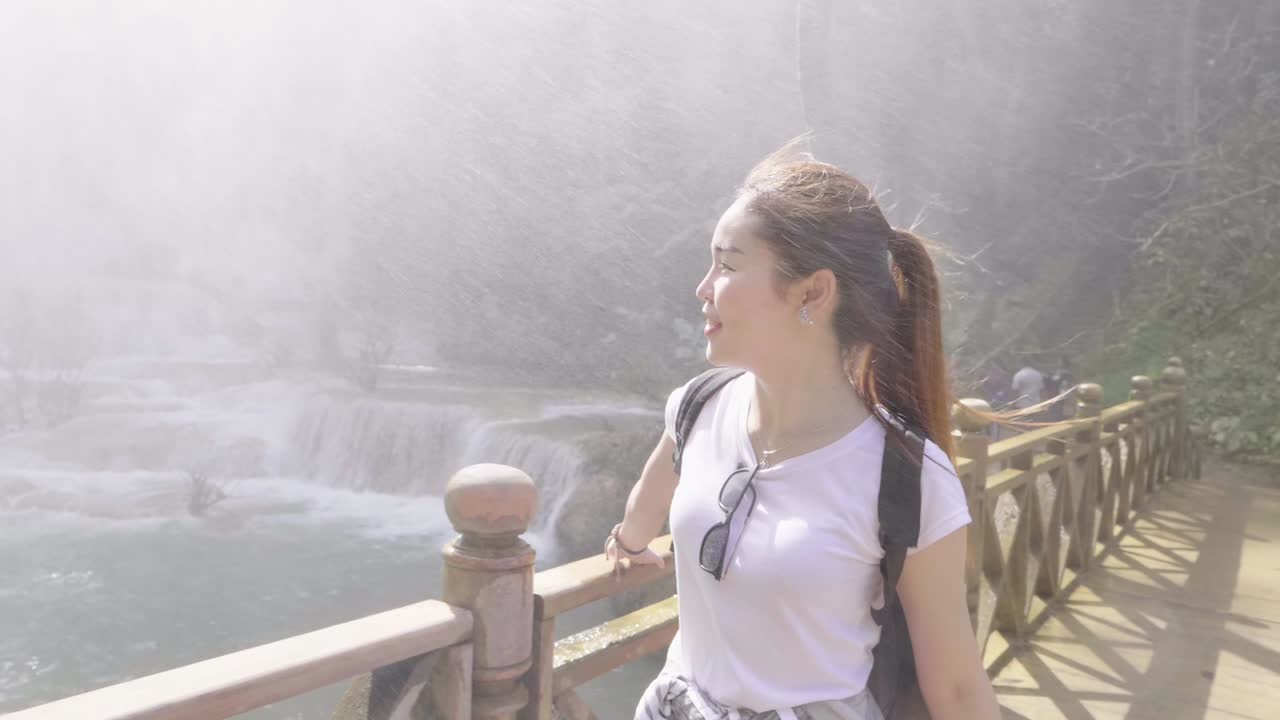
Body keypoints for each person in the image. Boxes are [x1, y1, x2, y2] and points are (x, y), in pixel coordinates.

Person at [606, 149, 1000, 719]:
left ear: (812, 293)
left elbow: (958, 689)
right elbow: (649, 497)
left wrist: (633, 538)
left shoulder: (907, 474)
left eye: (727, 265)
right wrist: (628, 542)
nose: (703, 287)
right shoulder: (698, 406)